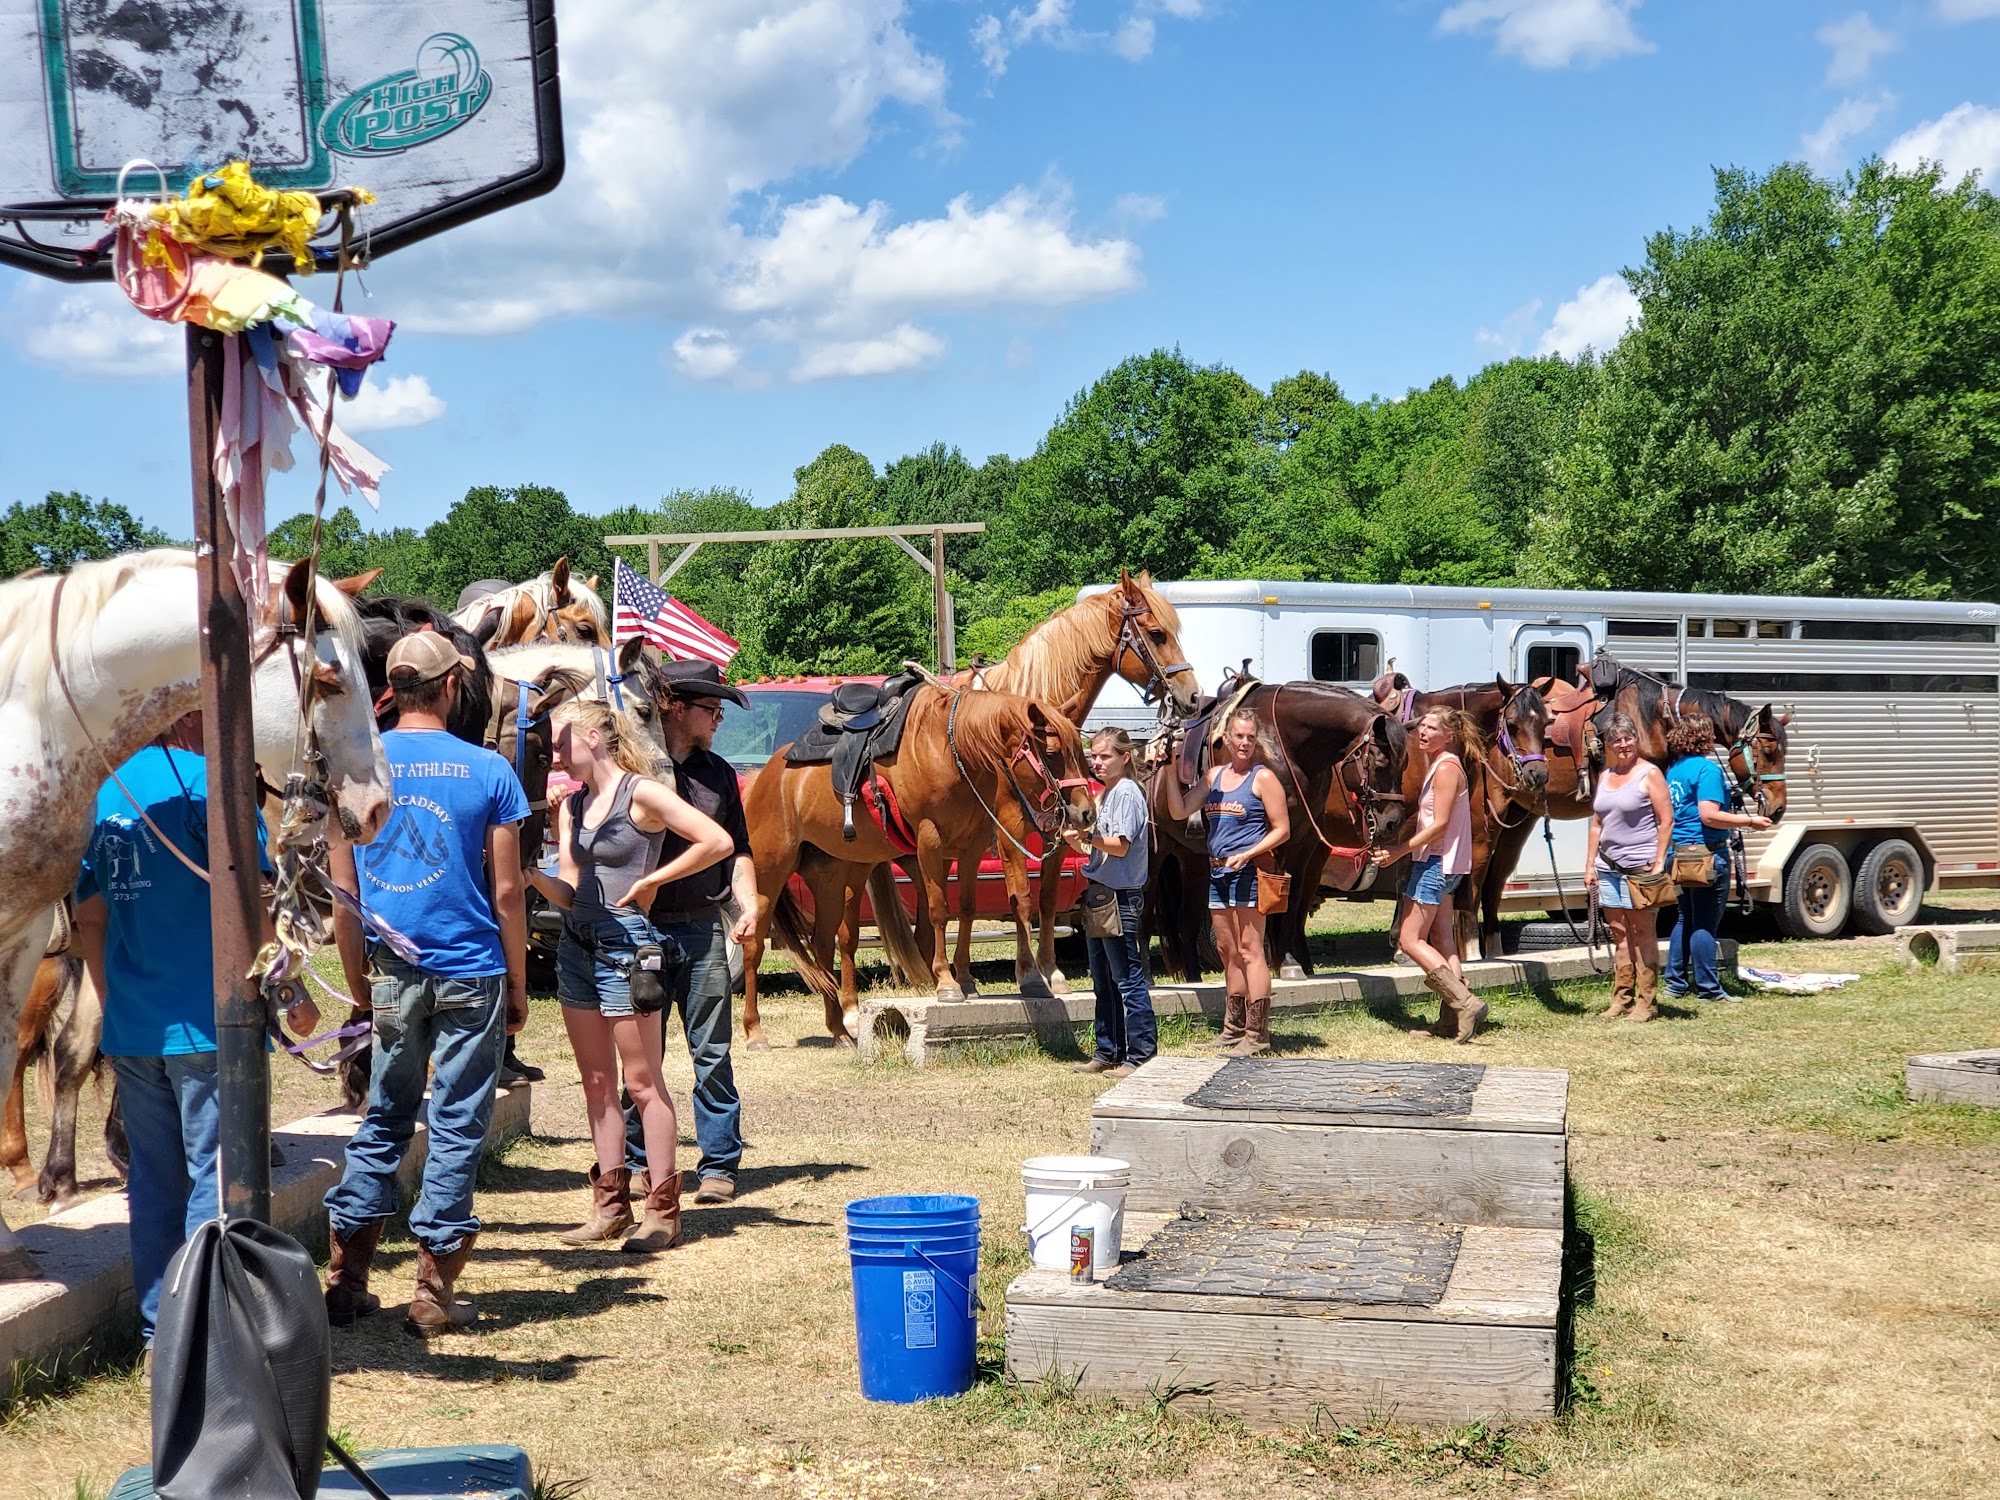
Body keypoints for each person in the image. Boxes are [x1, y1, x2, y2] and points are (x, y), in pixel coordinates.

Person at [71, 714, 316, 1358]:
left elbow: (89, 916)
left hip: (135, 1026)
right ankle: (206, 1330)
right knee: (219, 1173)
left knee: (152, 1179)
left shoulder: (106, 790)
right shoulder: (216, 786)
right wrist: (291, 992)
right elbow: (255, 902)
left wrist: (114, 1000)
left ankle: (160, 1331)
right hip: (211, 1025)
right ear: (190, 713)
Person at [322, 631, 531, 1336]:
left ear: (393, 688)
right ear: (449, 687)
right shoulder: (490, 769)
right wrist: (519, 983)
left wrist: (358, 982)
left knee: (385, 1115)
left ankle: (347, 1280)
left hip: (391, 968)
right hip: (472, 968)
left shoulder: (355, 770)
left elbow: (344, 895)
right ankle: (431, 1294)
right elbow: (508, 892)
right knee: (457, 1123)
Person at [526, 700, 732, 1251]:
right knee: (596, 1083)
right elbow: (570, 889)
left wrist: (652, 882)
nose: (554, 752)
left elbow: (716, 841)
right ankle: (610, 1207)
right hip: (577, 947)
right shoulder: (573, 804)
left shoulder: (640, 793)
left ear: (592, 737)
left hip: (627, 950)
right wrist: (532, 877)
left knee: (643, 1084)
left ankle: (662, 1212)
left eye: (561, 740)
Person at [624, 659, 756, 1206]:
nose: (719, 719)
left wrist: (749, 904)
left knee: (712, 1052)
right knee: (640, 1056)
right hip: (641, 931)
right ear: (676, 708)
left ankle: (719, 1164)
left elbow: (739, 849)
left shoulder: (718, 773)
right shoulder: (632, 769)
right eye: (711, 709)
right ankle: (636, 1162)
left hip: (702, 927)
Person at [1164, 707, 1290, 1057]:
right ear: (1226, 738)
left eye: (1250, 737)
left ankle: (1258, 1034)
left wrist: (1249, 853)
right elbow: (1178, 811)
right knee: (1227, 950)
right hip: (1218, 872)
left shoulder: (1263, 778)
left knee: (1251, 950)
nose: (1245, 743)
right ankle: (1233, 1028)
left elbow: (1282, 829)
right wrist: (1170, 769)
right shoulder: (1214, 777)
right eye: (1239, 736)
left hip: (1249, 873)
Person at [1371, 707, 1485, 1042]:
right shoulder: (1442, 764)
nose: (1423, 732)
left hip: (1435, 863)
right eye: (1422, 726)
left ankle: (1465, 1002)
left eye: (1432, 728)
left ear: (1449, 736)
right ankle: (1451, 1022)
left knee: (1409, 940)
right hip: (1444, 863)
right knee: (1443, 940)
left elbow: (1440, 825)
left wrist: (1399, 851)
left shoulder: (1446, 767)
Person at [1064, 728, 1155, 1078]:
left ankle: (1141, 1054)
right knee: (1103, 980)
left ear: (1125, 757)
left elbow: (1119, 845)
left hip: (1120, 897)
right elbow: (1098, 848)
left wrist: (1088, 835)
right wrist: (1076, 839)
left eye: (1105, 756)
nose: (1097, 762)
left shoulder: (1128, 792)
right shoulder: (1107, 794)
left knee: (1127, 979)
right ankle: (1109, 1051)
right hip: (1102, 894)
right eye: (1094, 756)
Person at [1663, 713, 1771, 1002]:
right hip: (1706, 855)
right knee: (1705, 924)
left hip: (1678, 853)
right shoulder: (1707, 770)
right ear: (1704, 738)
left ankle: (1675, 983)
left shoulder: (1674, 770)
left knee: (1684, 918)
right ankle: (1709, 988)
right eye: (1711, 734)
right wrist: (1750, 821)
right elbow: (1709, 815)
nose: (1714, 738)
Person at [1586, 712, 1673, 1022]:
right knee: (1620, 933)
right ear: (1608, 745)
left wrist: (1659, 862)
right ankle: (1621, 999)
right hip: (1608, 867)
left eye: (1628, 738)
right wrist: (1590, 865)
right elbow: (1597, 824)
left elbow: (1666, 821)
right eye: (1616, 740)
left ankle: (1647, 1001)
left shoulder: (1650, 774)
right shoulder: (1605, 776)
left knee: (1643, 932)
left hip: (1640, 868)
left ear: (1636, 740)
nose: (1623, 745)